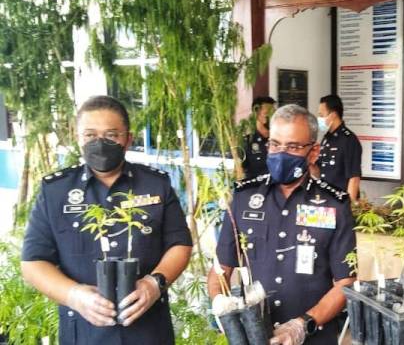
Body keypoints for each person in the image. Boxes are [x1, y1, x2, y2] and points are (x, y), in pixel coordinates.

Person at [21, 96, 193, 344]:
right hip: (84, 331)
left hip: (148, 329)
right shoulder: (56, 191)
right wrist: (73, 295)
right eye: (90, 135)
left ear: (128, 139)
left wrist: (154, 283)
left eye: (111, 135)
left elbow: (180, 243)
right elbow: (33, 262)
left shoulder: (156, 185)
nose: (100, 143)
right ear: (78, 138)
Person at [208, 104, 356, 344]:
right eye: (275, 144)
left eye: (293, 147)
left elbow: (346, 282)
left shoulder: (333, 205)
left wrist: (303, 324)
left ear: (314, 152)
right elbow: (220, 269)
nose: (281, 153)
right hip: (254, 336)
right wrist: (218, 301)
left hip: (314, 336)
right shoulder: (245, 199)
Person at [315, 95, 362, 202]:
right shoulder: (326, 138)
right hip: (324, 198)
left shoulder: (349, 140)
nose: (319, 119)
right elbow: (320, 171)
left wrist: (349, 206)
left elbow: (354, 177)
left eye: (322, 115)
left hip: (340, 200)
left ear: (333, 115)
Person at [242, 96, 276, 178]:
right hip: (256, 189)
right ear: (256, 114)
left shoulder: (280, 140)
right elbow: (240, 171)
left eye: (274, 113)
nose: (271, 117)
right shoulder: (247, 141)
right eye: (267, 113)